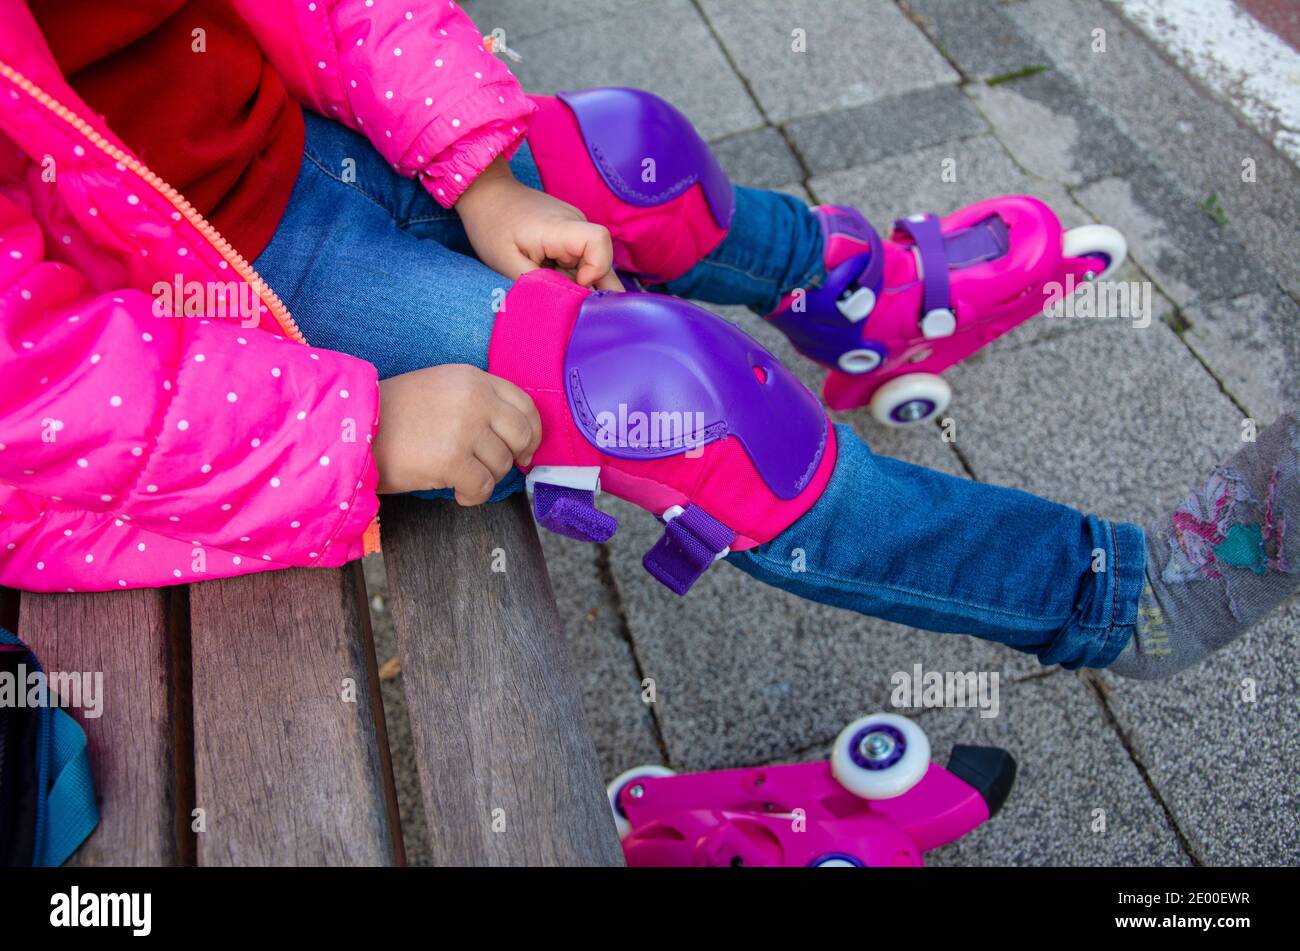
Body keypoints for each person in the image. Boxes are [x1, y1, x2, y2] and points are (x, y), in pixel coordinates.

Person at [1, 0, 1294, 681]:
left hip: (312, 147)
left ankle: (864, 305)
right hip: (207, 315)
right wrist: (355, 429)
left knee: (629, 156)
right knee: (682, 405)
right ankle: (1113, 602)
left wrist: (476, 169)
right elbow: (25, 385)